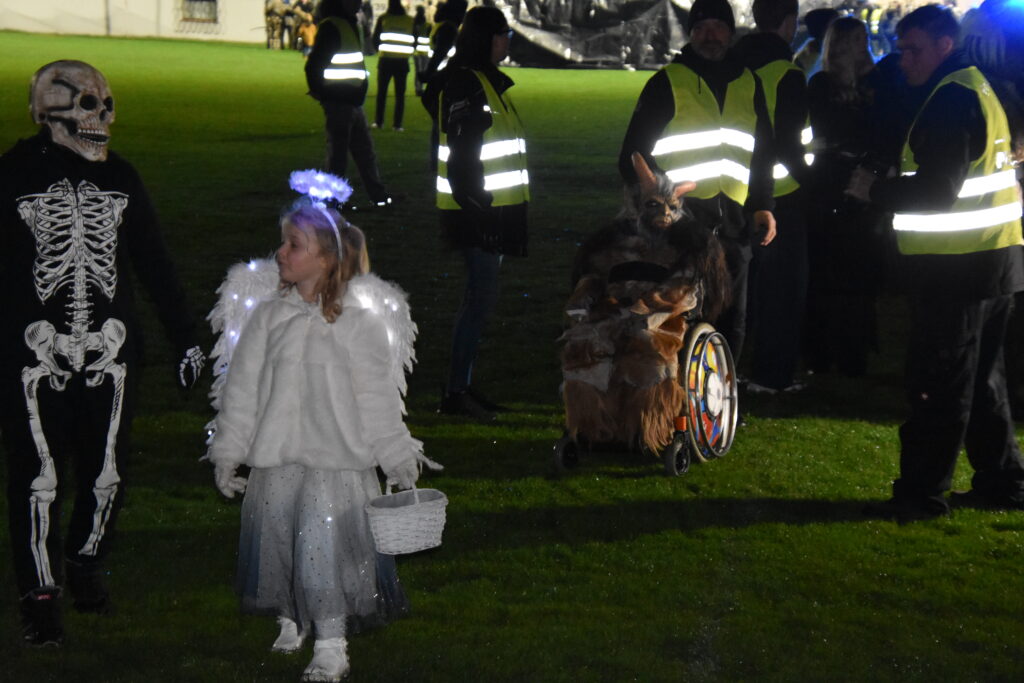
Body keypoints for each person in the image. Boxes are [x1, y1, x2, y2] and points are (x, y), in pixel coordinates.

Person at [0, 61, 204, 646]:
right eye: (90, 106)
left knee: (105, 470)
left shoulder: (121, 177)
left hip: (111, 352)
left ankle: (86, 561)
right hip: (32, 354)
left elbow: (154, 261)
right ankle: (40, 594)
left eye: (108, 105)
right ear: (48, 112)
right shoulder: (12, 175)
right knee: (36, 476)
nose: (105, 120)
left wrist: (185, 336)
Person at [208, 197, 429, 682]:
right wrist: (228, 452)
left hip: (336, 465)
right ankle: (292, 615)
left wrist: (396, 455)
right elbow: (242, 393)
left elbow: (377, 400)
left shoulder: (359, 325)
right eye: (283, 243)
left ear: (326, 258)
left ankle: (331, 640)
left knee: (322, 545)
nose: (281, 253)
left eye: (294, 245)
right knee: (280, 540)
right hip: (277, 460)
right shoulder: (268, 319)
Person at [848, 5, 1024, 520]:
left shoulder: (950, 98)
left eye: (914, 49)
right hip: (994, 259)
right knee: (984, 380)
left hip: (957, 267)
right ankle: (1002, 481)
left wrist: (874, 190)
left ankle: (922, 494)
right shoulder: (977, 86)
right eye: (902, 49)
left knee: (938, 383)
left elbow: (938, 191)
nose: (904, 59)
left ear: (946, 45)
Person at [618, 0, 777, 371]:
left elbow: (763, 153)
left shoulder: (749, 82)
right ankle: (675, 395)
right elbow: (631, 156)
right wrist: (662, 199)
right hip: (681, 227)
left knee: (731, 317)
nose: (710, 35)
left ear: (731, 32)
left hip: (735, 223)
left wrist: (763, 205)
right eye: (701, 28)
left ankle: (718, 395)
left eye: (718, 27)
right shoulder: (667, 82)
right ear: (690, 34)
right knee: (679, 317)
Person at [435, 5, 529, 419]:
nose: (508, 40)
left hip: (490, 210)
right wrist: (478, 208)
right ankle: (457, 393)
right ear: (487, 38)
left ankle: (462, 388)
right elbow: (463, 155)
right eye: (504, 33)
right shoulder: (468, 83)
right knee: (478, 300)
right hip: (478, 212)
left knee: (479, 300)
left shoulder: (483, 80)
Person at [803, 16, 890, 377]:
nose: (860, 46)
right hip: (829, 185)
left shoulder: (876, 83)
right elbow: (830, 133)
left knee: (859, 273)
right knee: (826, 272)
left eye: (862, 39)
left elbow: (882, 132)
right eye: (853, 40)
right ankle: (822, 350)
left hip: (863, 185)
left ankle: (854, 351)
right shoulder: (822, 84)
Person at [735, 0, 814, 395]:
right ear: (790, 22)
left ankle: (726, 367)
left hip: (736, 190)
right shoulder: (787, 72)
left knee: (742, 291)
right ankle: (772, 375)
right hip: (782, 197)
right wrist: (817, 184)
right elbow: (789, 146)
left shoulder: (735, 63)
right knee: (782, 292)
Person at [306, 0, 393, 209]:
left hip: (350, 100)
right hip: (341, 101)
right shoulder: (335, 26)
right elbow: (314, 65)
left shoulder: (346, 24)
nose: (359, 4)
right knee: (344, 154)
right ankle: (337, 200)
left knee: (360, 152)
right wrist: (323, 94)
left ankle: (376, 196)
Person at [420, 0, 468, 171]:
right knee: (444, 123)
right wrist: (428, 73)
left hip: (440, 80)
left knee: (440, 123)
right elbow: (441, 53)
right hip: (445, 81)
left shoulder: (441, 26)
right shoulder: (449, 28)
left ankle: (437, 161)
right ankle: (441, 161)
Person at [372, 0, 416, 131]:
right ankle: (397, 124)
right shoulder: (409, 20)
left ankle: (379, 122)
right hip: (402, 62)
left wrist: (380, 51)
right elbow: (415, 40)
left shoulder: (383, 18)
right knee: (400, 96)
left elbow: (375, 39)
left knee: (381, 93)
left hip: (385, 60)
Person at [793, 7, 839, 77]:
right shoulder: (816, 51)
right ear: (824, 28)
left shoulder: (809, 46)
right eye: (834, 24)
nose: (839, 27)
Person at [413, 5, 432, 96]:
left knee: (418, 71)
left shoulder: (413, 24)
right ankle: (423, 88)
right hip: (426, 51)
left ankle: (418, 89)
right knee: (425, 70)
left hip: (416, 52)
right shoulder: (428, 25)